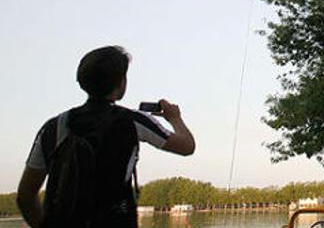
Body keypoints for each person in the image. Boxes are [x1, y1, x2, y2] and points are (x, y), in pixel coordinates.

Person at [16, 46, 195, 228]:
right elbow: (187, 147)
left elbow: (25, 196)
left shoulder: (53, 127)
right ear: (120, 83)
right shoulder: (133, 121)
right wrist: (175, 118)